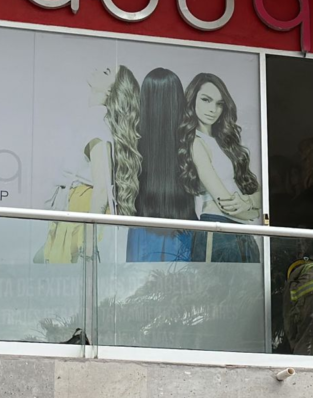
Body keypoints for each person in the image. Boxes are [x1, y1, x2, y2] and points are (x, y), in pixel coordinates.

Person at [36, 66, 141, 264]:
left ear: (110, 90)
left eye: (107, 72)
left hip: (82, 208)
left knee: (63, 272)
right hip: (76, 208)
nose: (98, 69)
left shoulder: (96, 122)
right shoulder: (96, 119)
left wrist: (89, 244)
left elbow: (101, 188)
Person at [180, 73, 262, 263]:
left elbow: (260, 194)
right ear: (192, 100)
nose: (213, 109)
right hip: (217, 231)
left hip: (241, 232)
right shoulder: (196, 143)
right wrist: (254, 209)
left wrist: (250, 202)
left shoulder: (226, 143)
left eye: (219, 104)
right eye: (206, 100)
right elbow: (227, 204)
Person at [126, 68, 195, 262]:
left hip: (143, 232)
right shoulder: (189, 141)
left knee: (140, 281)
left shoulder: (133, 141)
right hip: (183, 229)